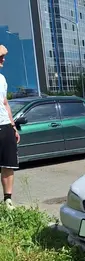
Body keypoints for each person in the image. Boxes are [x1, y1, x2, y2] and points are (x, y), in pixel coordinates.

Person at [0, 45, 20, 210]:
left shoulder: (2, 79)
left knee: (8, 164)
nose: (3, 60)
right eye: (0, 57)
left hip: (5, 126)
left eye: (3, 57)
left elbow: (5, 103)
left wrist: (13, 126)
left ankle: (7, 200)